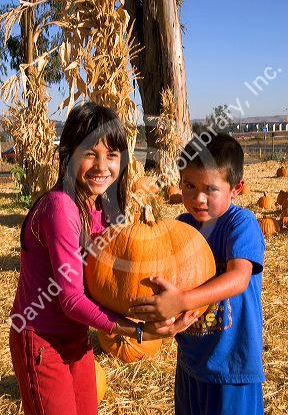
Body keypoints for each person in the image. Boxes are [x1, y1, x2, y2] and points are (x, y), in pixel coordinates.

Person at [9, 103, 196, 415]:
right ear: (68, 153)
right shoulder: (61, 208)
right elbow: (70, 299)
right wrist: (138, 332)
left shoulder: (102, 209)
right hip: (40, 337)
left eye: (111, 155)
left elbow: (114, 281)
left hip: (75, 336)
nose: (102, 165)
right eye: (90, 153)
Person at [129, 132, 266, 415]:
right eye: (189, 186)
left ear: (236, 188)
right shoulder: (181, 226)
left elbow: (239, 278)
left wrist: (181, 301)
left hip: (232, 366)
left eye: (210, 189)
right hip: (191, 362)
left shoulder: (241, 224)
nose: (198, 198)